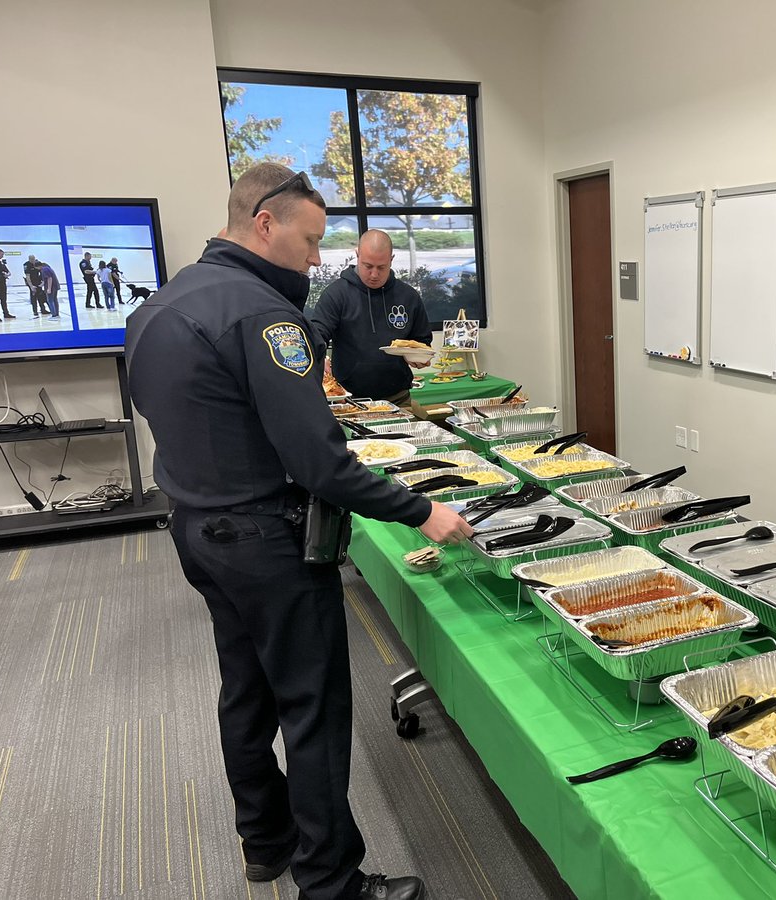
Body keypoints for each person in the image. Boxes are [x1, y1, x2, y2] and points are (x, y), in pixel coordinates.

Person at [125, 163, 467, 900]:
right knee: (312, 707)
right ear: (264, 223)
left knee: (244, 689)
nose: (318, 260)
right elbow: (320, 462)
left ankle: (265, 840)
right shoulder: (263, 316)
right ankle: (332, 881)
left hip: (196, 530)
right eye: (311, 241)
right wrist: (423, 509)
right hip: (268, 541)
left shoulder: (159, 305)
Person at [307, 230, 432, 404]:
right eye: (368, 266)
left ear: (391, 259)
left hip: (399, 398)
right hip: (350, 401)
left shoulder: (408, 296)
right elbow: (316, 336)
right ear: (357, 255)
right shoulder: (336, 294)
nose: (374, 274)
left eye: (381, 267)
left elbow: (422, 340)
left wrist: (419, 358)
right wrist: (320, 362)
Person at [0, 249, 12, 321]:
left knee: (4, 300)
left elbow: (8, 272)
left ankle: (6, 313)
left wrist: (7, 274)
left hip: (3, 283)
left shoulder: (1, 263)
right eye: (1, 254)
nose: (2, 256)